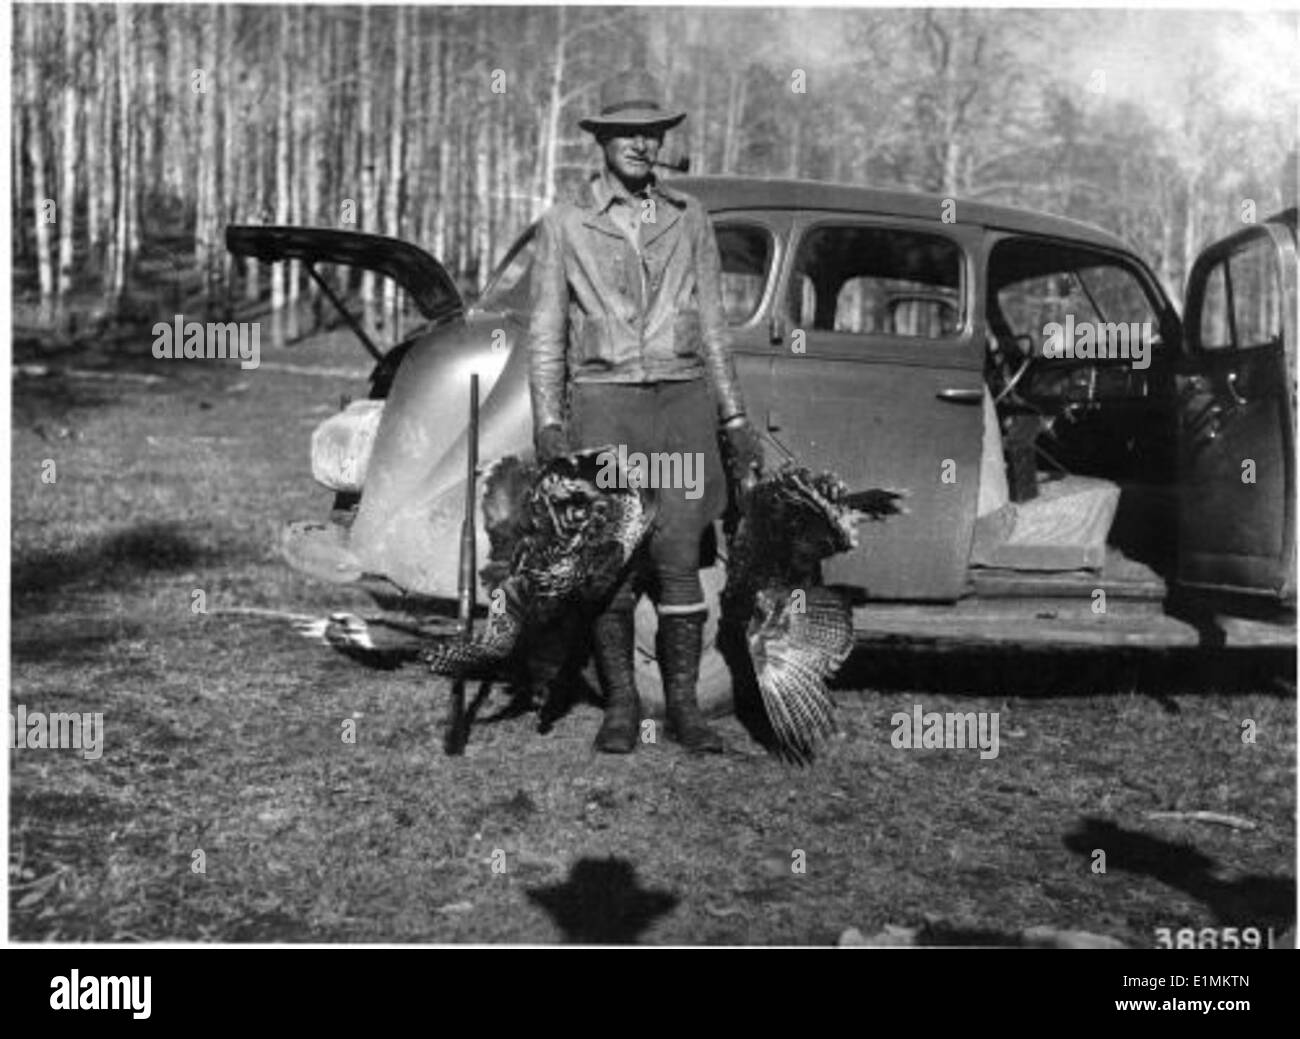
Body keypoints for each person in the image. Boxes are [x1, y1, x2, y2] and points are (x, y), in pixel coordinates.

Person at [527, 68, 762, 754]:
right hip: (606, 410)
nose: (640, 144)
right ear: (601, 141)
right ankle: (623, 707)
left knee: (680, 549)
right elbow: (546, 334)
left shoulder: (690, 219)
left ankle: (684, 708)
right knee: (614, 558)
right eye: (626, 133)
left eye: (652, 133)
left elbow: (714, 329)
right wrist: (548, 421)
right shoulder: (566, 224)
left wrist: (735, 420)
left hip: (682, 405)